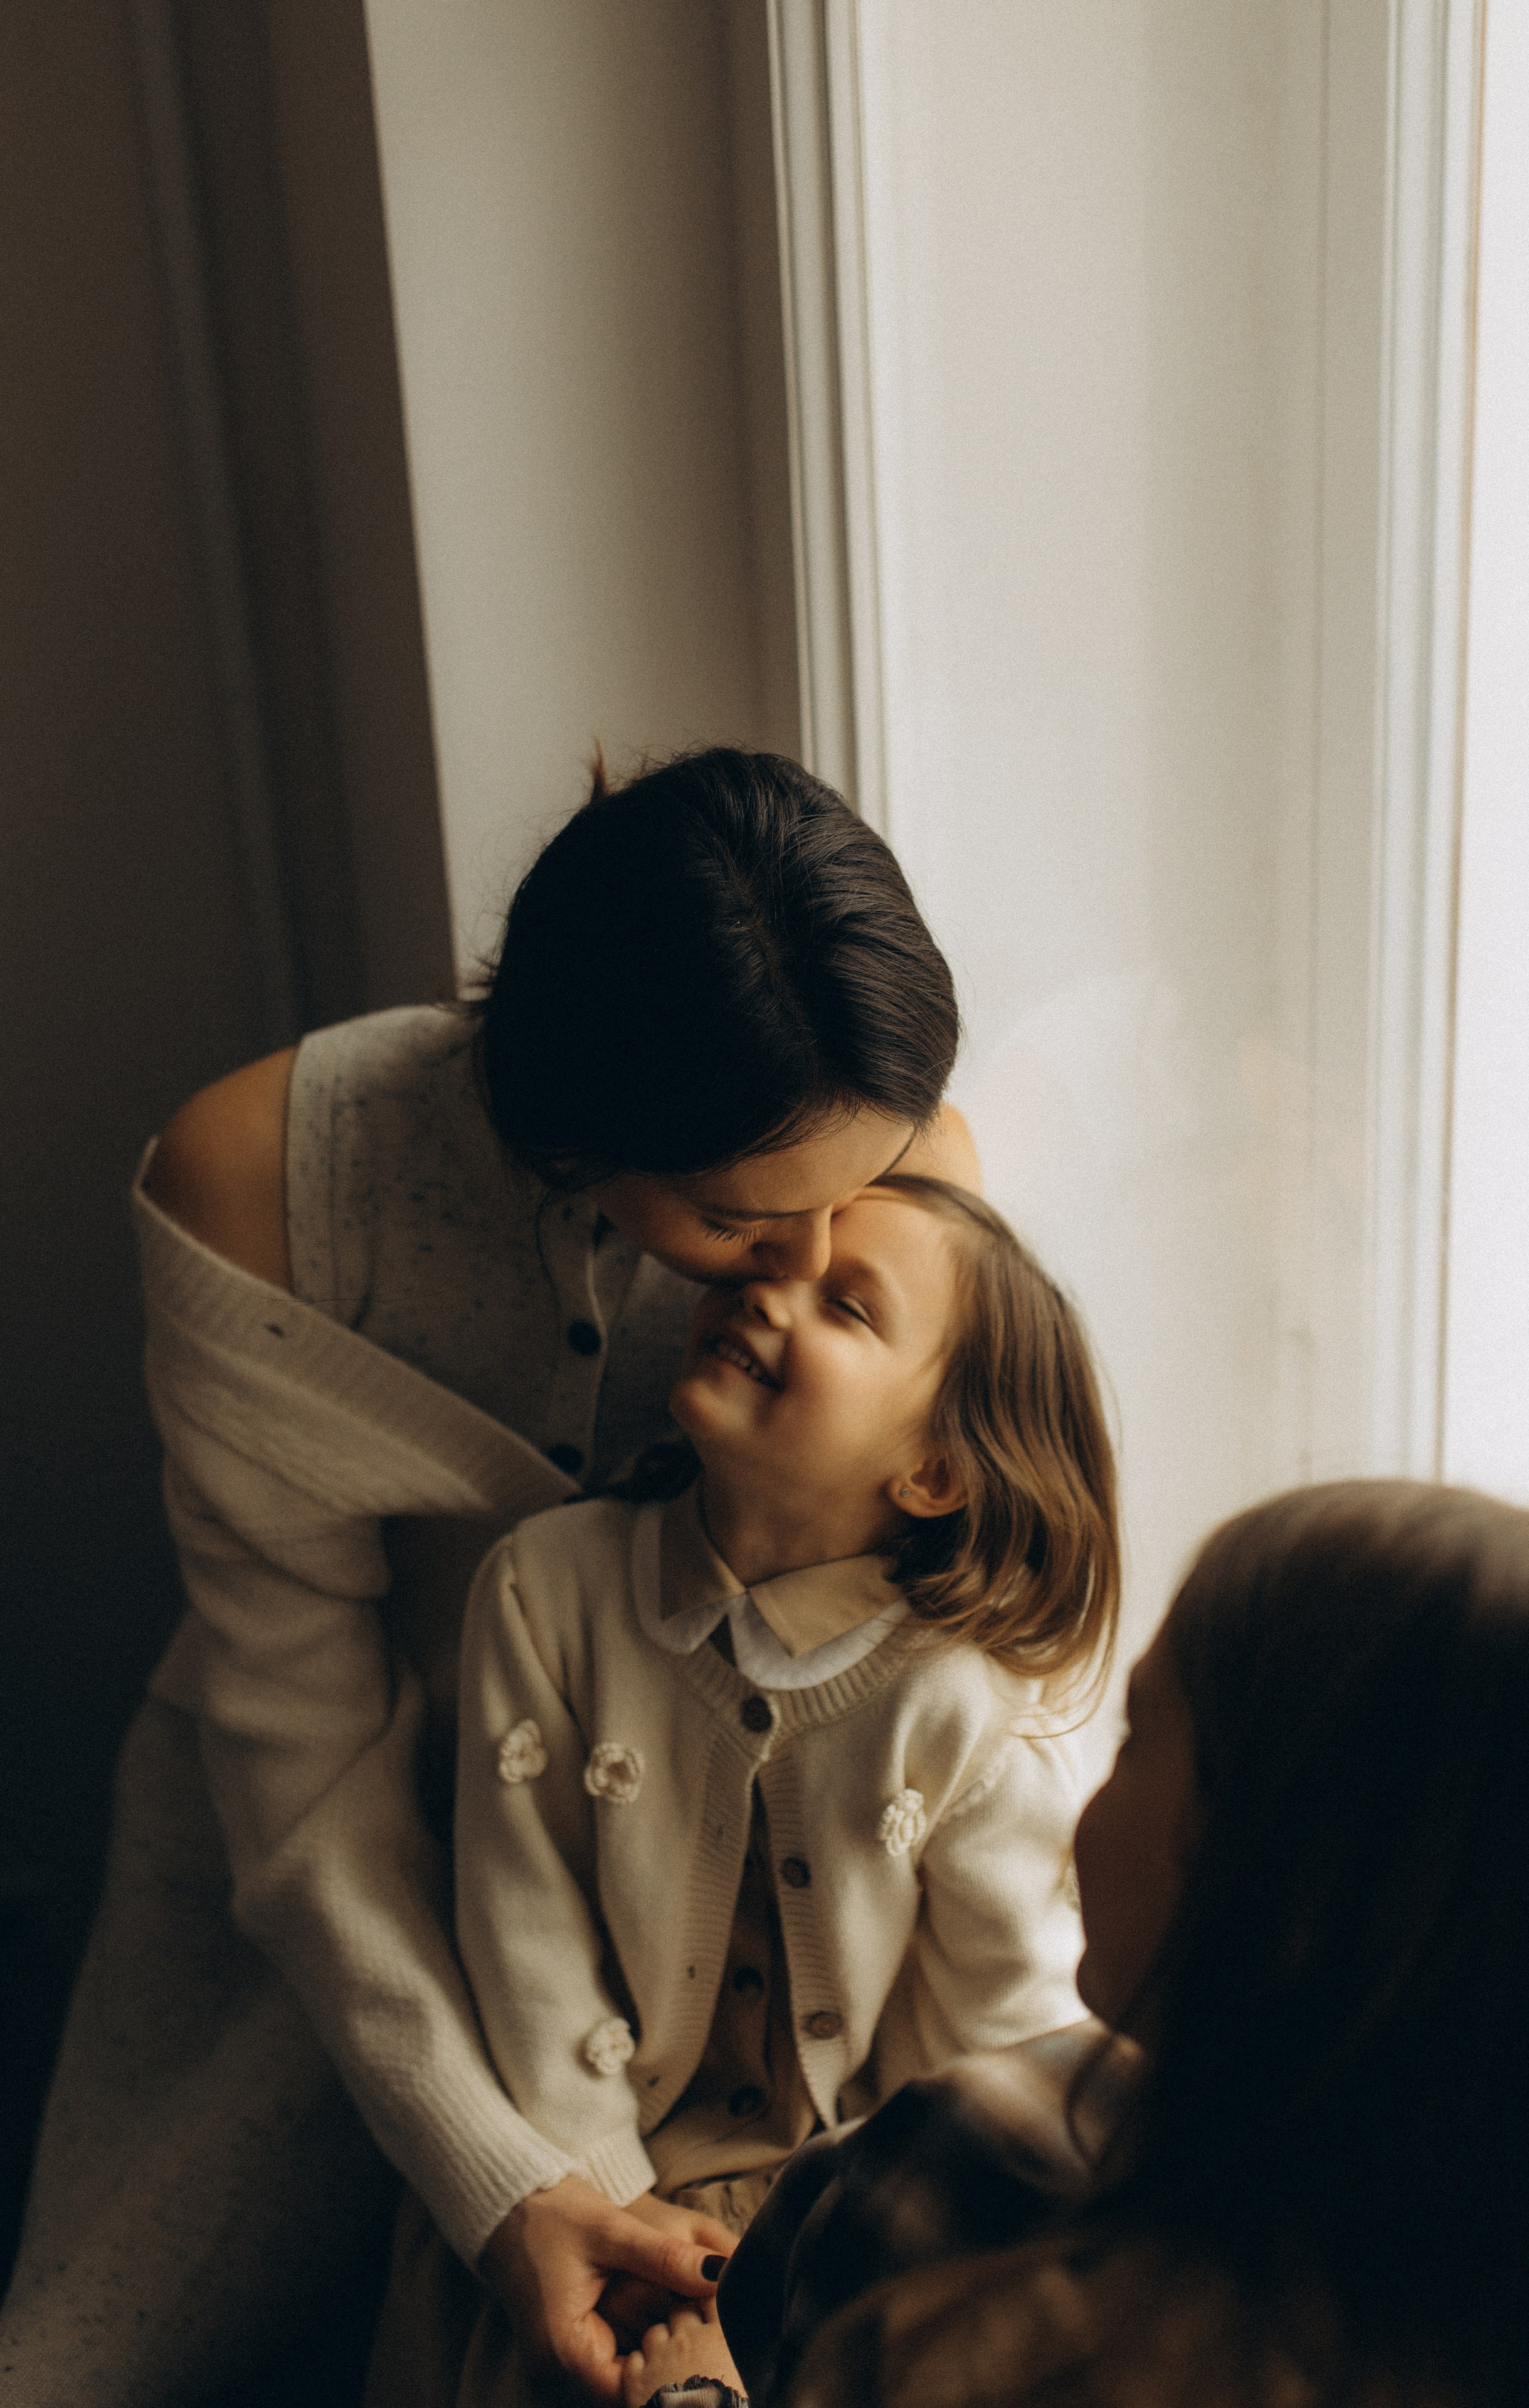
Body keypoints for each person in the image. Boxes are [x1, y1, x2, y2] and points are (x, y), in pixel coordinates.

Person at [1, 750, 983, 2408]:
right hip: (327, 1861)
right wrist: (508, 2181)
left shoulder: (884, 1145)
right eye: (757, 1223)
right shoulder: (253, 1185)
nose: (820, 1256)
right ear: (584, 1139)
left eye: (856, 1207)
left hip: (720, 1883)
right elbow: (301, 1776)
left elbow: (922, 1600)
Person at [364, 1171, 1119, 2407]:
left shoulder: (962, 1707)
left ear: (931, 1474)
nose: (772, 1289)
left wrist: (878, 2256)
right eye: (773, 1264)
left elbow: (993, 2036)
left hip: (842, 2218)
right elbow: (522, 1932)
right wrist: (612, 2209)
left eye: (846, 1306)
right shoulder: (545, 1591)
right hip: (574, 2177)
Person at [715, 1481, 1529, 2408]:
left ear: (1268, 1861)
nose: (1079, 1816)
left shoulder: (960, 2179)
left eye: (1135, 1734)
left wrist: (691, 2392)